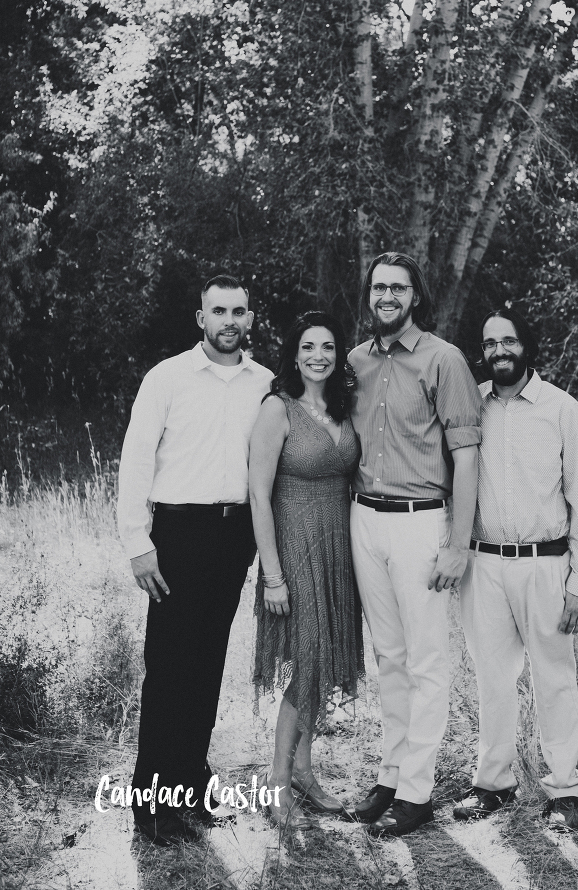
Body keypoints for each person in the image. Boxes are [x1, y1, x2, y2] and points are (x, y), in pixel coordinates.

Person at [117, 274, 273, 846]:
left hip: (235, 537)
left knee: (207, 663)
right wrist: (138, 542)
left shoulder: (265, 384)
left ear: (251, 318)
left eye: (239, 311)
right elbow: (135, 461)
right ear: (201, 318)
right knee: (168, 666)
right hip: (178, 533)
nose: (229, 320)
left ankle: (190, 778)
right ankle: (149, 799)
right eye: (218, 311)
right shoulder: (167, 377)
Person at [346, 252, 482, 838]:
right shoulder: (355, 361)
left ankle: (418, 792)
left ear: (415, 297)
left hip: (420, 523)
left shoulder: (444, 359)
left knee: (427, 661)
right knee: (389, 660)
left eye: (398, 288)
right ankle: (391, 772)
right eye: (379, 288)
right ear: (370, 294)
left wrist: (458, 545)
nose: (387, 297)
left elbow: (467, 456)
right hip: (364, 521)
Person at [455, 307, 578, 832]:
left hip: (547, 564)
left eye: (509, 341)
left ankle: (564, 790)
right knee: (492, 678)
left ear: (527, 346)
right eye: (490, 343)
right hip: (484, 563)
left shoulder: (562, 410)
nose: (499, 351)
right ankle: (493, 783)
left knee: (554, 678)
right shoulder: (471, 408)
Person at [249, 311, 363, 832]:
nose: (319, 355)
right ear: (294, 355)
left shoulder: (342, 408)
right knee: (310, 660)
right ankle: (277, 781)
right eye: (309, 346)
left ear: (339, 356)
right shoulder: (278, 409)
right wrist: (273, 575)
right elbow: (258, 493)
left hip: (337, 548)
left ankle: (304, 769)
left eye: (329, 347)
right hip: (294, 548)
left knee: (323, 659)